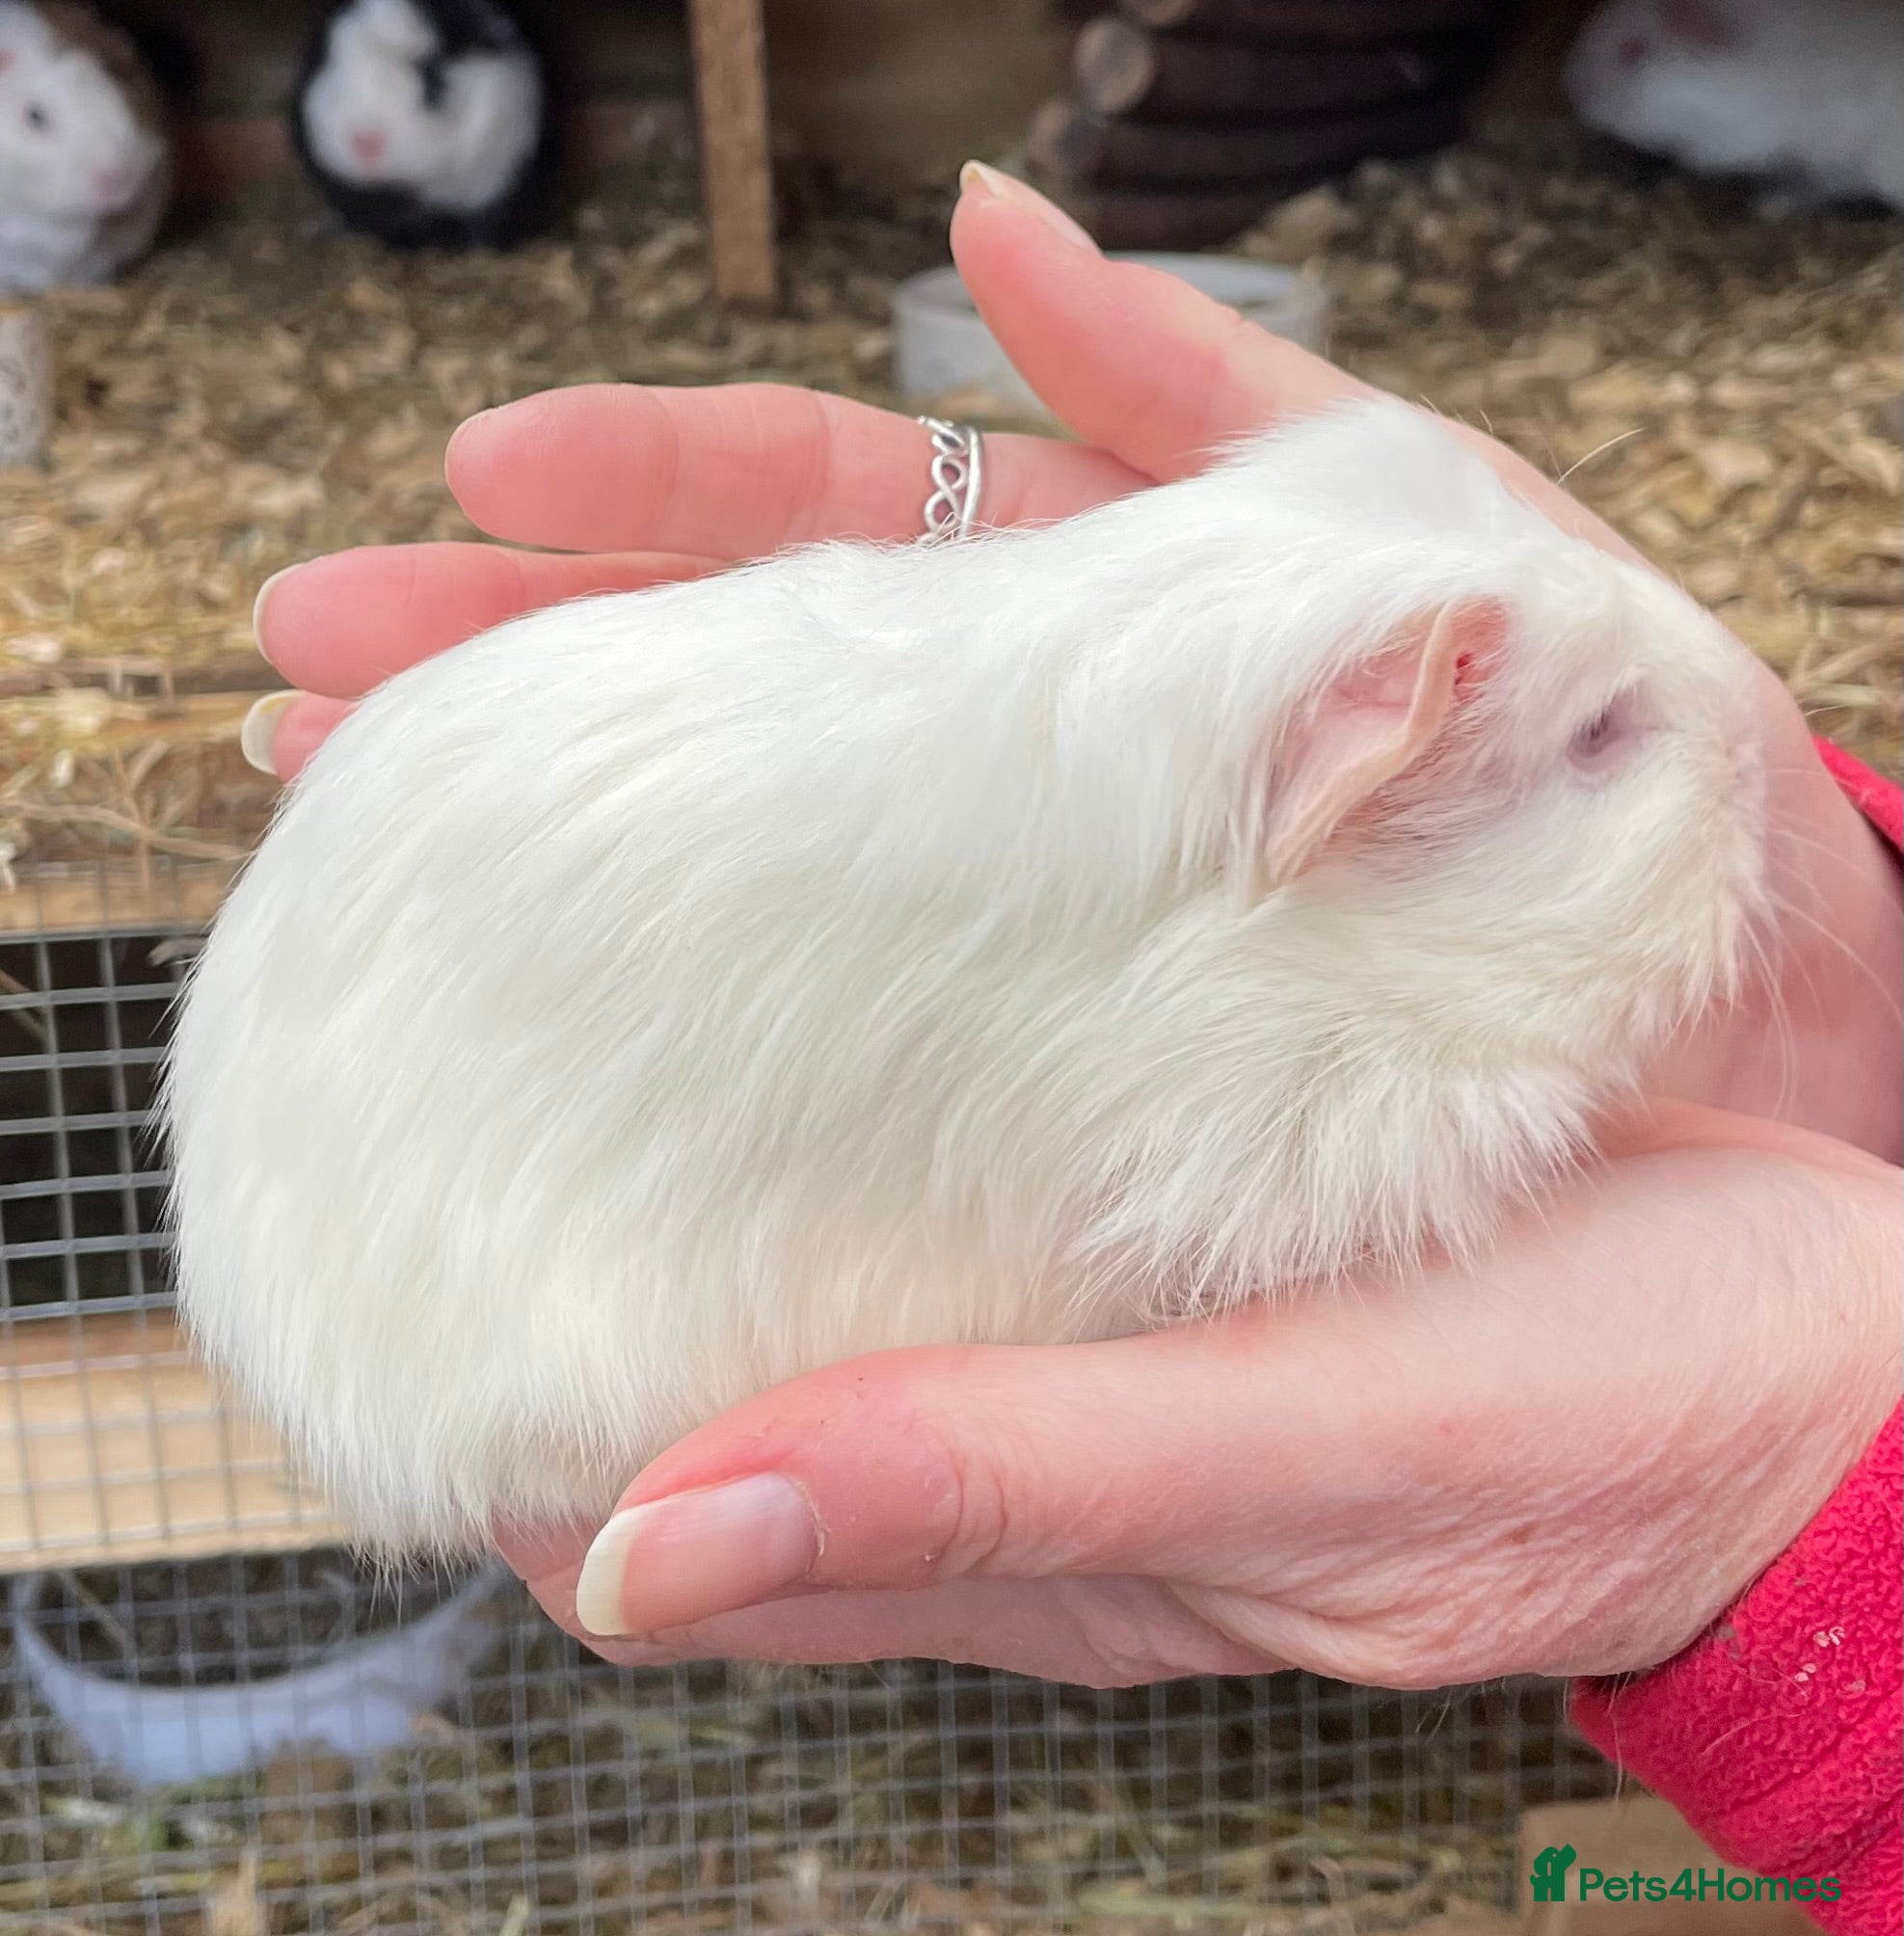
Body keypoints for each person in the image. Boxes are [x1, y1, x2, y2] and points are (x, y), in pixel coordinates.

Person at [243, 166, 1902, 1931]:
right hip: (494, 1331)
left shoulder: (1199, 854)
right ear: (1349, 796)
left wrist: (1831, 1483)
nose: (1753, 743)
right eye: (1599, 744)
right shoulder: (1230, 1018)